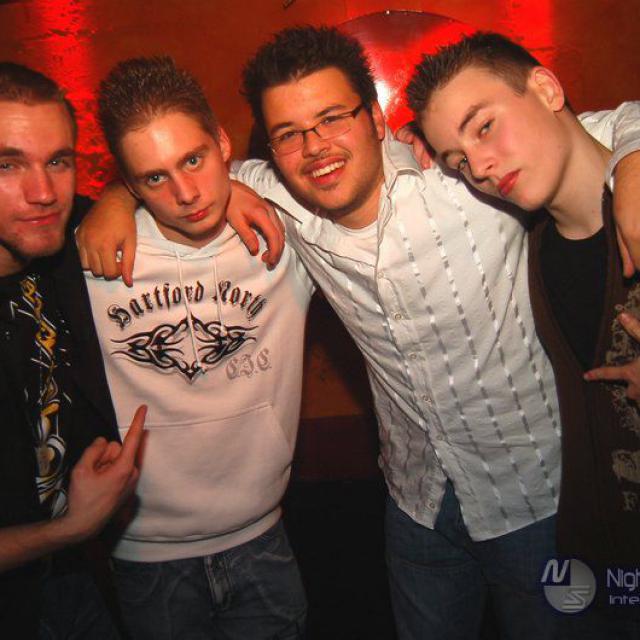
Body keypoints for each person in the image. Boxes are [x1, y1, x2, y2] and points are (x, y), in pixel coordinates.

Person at [76, 26, 640, 640]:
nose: (314, 148)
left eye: (332, 119)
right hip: (415, 507)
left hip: (536, 499)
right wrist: (113, 201)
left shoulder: (467, 173)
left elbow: (597, 127)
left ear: (375, 117)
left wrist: (634, 164)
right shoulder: (275, 196)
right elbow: (172, 170)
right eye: (289, 134)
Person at [406, 31, 640, 635]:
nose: (479, 167)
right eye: (457, 160)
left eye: (484, 127)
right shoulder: (532, 245)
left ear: (546, 88)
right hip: (602, 566)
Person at [89, 56, 312, 640]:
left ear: (222, 144)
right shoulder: (94, 254)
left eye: (194, 160)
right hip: (143, 557)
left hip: (262, 535)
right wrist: (111, 203)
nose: (187, 194)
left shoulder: (283, 231)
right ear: (129, 183)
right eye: (154, 178)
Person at [0, 62, 147, 638]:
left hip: (76, 577)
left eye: (58, 161)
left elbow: (168, 185)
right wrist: (71, 528)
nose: (44, 194)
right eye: (7, 165)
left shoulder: (59, 245)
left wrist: (119, 195)